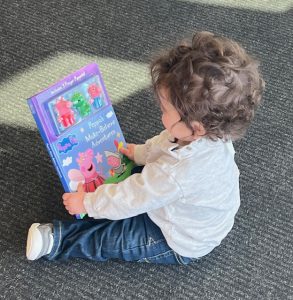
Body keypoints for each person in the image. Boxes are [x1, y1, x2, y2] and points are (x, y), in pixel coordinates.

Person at [26, 31, 264, 264]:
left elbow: (133, 197)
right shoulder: (210, 130)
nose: (161, 116)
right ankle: (98, 206)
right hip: (188, 206)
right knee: (124, 184)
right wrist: (140, 153)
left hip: (179, 238)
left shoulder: (177, 172)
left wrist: (87, 203)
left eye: (165, 111)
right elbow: (166, 141)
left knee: (112, 239)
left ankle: (57, 241)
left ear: (197, 128)